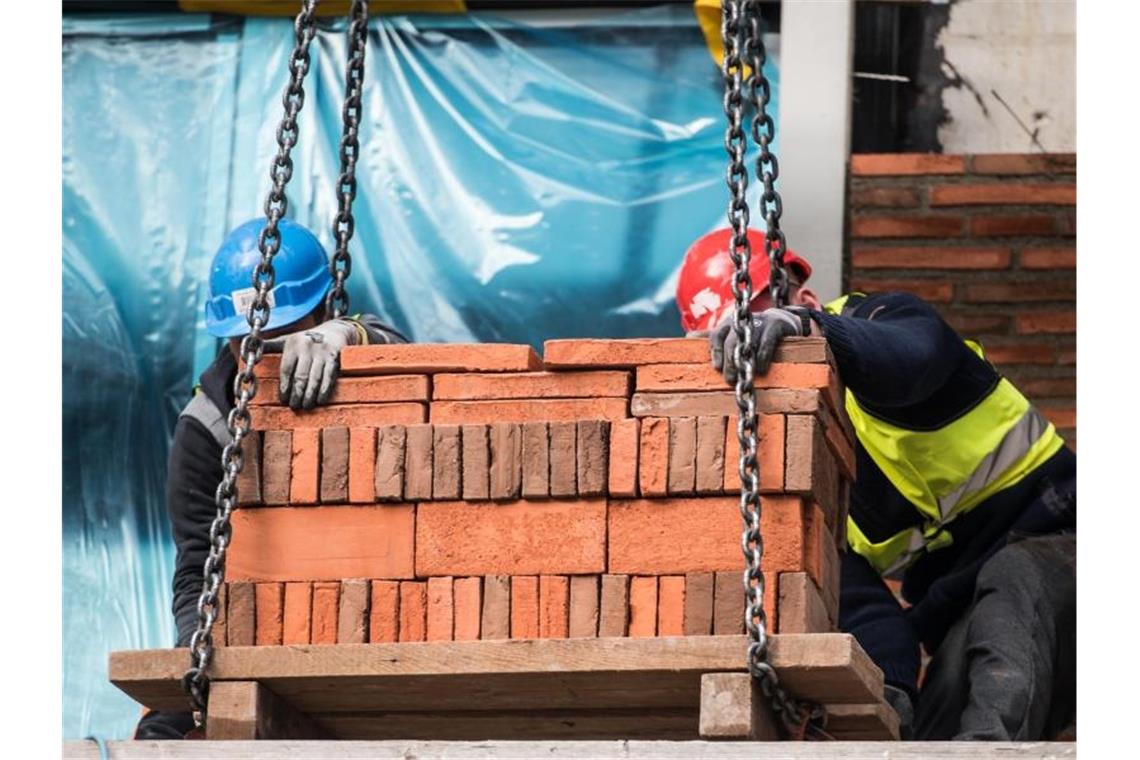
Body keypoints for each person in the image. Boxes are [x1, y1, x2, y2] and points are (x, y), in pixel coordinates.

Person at [678, 227, 1076, 741]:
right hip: (965, 610)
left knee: (1014, 590)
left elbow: (916, 355)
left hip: (1069, 550)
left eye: (757, 334)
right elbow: (866, 613)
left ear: (805, 301)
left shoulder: (882, 323)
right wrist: (881, 709)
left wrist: (811, 333)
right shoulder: (793, 472)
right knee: (944, 712)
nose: (754, 364)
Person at [135, 218, 407, 739]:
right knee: (163, 734)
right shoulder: (209, 424)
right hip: (266, 629)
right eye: (246, 345)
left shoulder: (357, 356)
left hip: (374, 619)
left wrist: (347, 334)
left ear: (322, 311)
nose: (261, 361)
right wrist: (204, 669)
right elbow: (196, 569)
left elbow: (423, 364)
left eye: (281, 339)